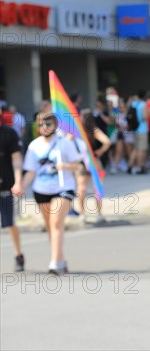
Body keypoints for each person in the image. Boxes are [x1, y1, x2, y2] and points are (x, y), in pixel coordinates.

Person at [19, 113, 81, 275]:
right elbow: (30, 172)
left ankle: (54, 262)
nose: (44, 127)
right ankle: (60, 260)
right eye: (41, 124)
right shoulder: (34, 146)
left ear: (55, 125)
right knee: (50, 227)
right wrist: (20, 187)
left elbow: (77, 165)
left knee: (56, 223)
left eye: (48, 123)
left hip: (63, 188)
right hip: (41, 190)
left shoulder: (64, 143)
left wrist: (65, 166)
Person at [71, 110, 111, 223]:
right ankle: (99, 213)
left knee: (81, 189)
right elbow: (107, 142)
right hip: (94, 161)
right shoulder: (93, 129)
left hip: (81, 162)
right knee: (97, 188)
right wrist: (100, 151)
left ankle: (82, 213)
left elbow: (67, 141)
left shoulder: (77, 130)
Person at [0, 105, 25, 271]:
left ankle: (18, 255)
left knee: (10, 223)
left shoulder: (9, 133)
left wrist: (18, 182)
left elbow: (16, 159)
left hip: (5, 186)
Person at [128, 91, 149, 174]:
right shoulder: (143, 104)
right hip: (142, 129)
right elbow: (145, 116)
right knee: (141, 150)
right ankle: (140, 167)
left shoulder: (133, 104)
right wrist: (149, 114)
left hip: (134, 129)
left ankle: (130, 166)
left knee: (135, 149)